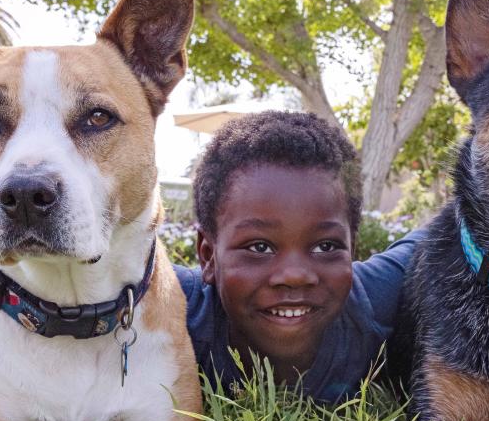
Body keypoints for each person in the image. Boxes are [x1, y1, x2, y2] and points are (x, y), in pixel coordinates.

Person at [176, 111, 422, 405]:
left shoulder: (373, 301)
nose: (294, 275)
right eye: (260, 247)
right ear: (208, 256)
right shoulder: (170, 311)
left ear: (352, 250)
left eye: (326, 247)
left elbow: (450, 227)